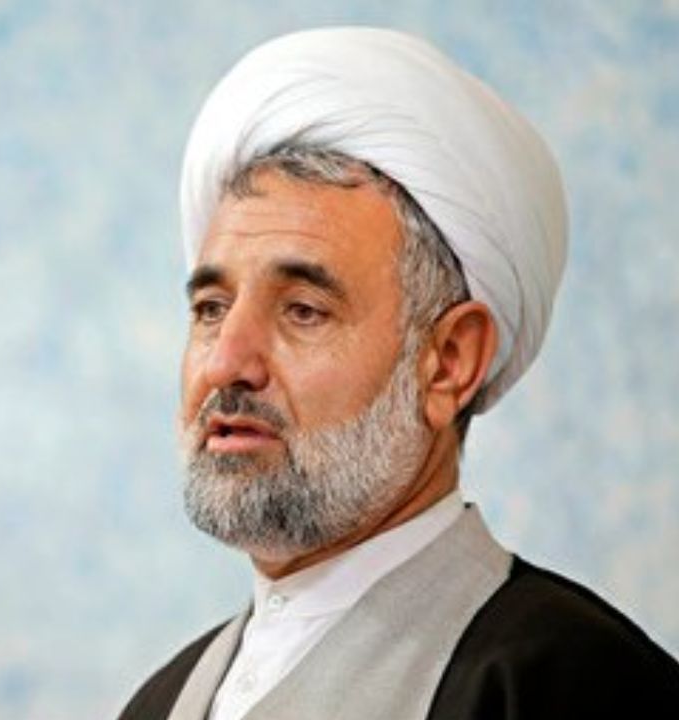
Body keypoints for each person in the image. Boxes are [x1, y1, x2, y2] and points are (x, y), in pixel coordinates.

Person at [119, 27, 679, 720]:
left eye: (303, 311)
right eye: (211, 309)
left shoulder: (569, 684)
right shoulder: (162, 701)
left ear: (448, 363)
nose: (227, 363)